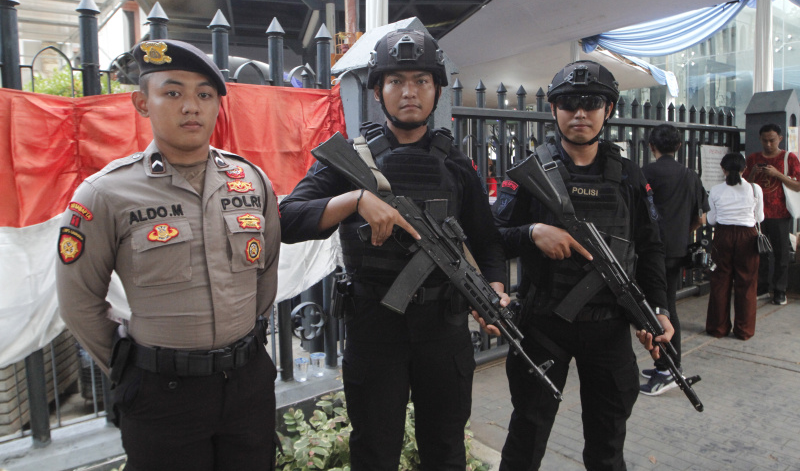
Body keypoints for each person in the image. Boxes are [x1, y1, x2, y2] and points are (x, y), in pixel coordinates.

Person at [279, 29, 507, 471]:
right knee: (374, 451)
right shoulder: (352, 159)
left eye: (421, 81)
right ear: (379, 90)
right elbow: (288, 218)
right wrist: (356, 200)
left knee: (445, 450)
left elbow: (487, 240)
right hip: (374, 326)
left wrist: (494, 286)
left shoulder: (456, 164)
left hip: (443, 329)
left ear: (436, 90)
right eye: (396, 81)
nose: (409, 92)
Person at [56, 40, 281, 471]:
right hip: (162, 395)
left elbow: (265, 273)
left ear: (218, 105)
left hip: (247, 385)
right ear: (142, 102)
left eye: (204, 94)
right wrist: (136, 370)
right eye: (173, 93)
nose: (191, 107)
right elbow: (79, 302)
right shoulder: (105, 193)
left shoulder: (251, 181)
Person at [492, 60, 673, 471]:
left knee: (608, 444)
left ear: (608, 111)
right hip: (542, 323)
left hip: (608, 327)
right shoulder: (530, 172)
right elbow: (492, 239)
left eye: (592, 104)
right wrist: (533, 231)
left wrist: (659, 309)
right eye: (569, 103)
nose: (580, 114)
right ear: (554, 109)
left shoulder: (628, 174)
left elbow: (650, 247)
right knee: (527, 436)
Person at [639, 123, 708, 395]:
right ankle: (664, 362)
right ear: (679, 146)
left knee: (658, 311)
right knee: (667, 307)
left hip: (648, 252)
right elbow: (700, 218)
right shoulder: (690, 175)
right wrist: (680, 234)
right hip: (677, 252)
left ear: (651, 146)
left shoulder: (644, 173)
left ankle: (668, 368)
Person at [705, 153, 764, 340]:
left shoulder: (715, 190)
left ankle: (718, 328)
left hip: (723, 236)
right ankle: (744, 330)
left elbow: (712, 219)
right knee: (746, 283)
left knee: (720, 281)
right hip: (748, 237)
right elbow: (760, 218)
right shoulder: (755, 189)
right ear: (744, 169)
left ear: (723, 169)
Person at [743, 123, 800, 305]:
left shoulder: (788, 158)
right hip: (758, 214)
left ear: (780, 139)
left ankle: (780, 290)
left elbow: (798, 185)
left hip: (780, 213)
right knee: (759, 252)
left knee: (781, 253)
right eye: (765, 141)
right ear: (760, 139)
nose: (768, 144)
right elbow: (744, 185)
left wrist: (778, 174)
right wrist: (753, 173)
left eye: (772, 140)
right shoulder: (753, 158)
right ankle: (761, 286)